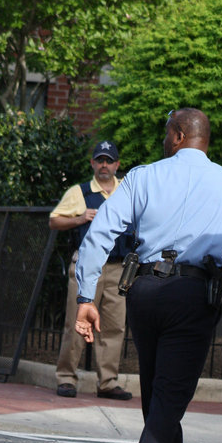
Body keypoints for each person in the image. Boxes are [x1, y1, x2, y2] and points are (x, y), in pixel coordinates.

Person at [74, 108, 222, 443]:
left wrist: (86, 296)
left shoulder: (141, 177)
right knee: (169, 400)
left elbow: (100, 232)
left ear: (177, 135)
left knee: (158, 397)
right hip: (194, 295)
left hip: (144, 291)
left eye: (164, 132)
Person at [51, 140, 133, 400]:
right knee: (76, 322)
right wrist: (80, 218)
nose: (105, 165)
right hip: (87, 268)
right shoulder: (81, 192)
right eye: (100, 160)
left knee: (115, 327)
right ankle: (66, 378)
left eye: (109, 160)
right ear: (93, 164)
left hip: (118, 268)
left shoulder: (127, 191)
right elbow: (54, 221)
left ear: (118, 165)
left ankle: (107, 382)